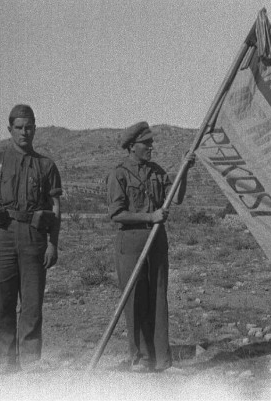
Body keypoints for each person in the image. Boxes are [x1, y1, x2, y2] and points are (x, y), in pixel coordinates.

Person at [106, 121, 194, 372]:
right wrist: (150, 217)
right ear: (132, 146)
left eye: (151, 143)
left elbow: (175, 197)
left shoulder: (157, 171)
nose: (151, 147)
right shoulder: (119, 174)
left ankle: (162, 361)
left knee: (158, 298)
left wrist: (184, 170)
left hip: (156, 241)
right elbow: (117, 214)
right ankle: (141, 359)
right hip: (131, 242)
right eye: (147, 143)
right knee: (135, 300)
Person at [0, 104, 62, 373]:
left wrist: (53, 242)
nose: (24, 132)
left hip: (33, 236)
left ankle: (29, 360)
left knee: (31, 302)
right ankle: (6, 361)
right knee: (2, 301)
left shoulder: (46, 165)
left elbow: (55, 207)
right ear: (9, 130)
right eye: (19, 127)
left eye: (29, 127)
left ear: (35, 129)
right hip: (1, 235)